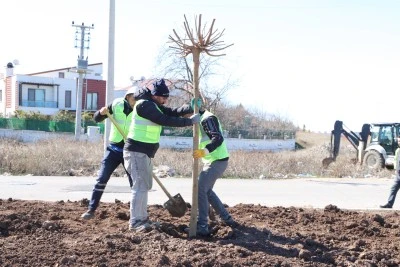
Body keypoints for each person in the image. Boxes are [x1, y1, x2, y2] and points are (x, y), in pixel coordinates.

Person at [124, 78, 200, 232]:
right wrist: (189, 122)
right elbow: (164, 119)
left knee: (144, 186)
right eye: (163, 97)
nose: (165, 101)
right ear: (155, 95)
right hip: (136, 151)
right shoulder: (144, 105)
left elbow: (171, 112)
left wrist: (189, 107)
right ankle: (136, 222)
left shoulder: (154, 104)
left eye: (167, 98)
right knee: (140, 187)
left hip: (144, 152)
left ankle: (142, 218)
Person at [81, 86, 148, 219]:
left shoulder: (142, 110)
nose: (135, 100)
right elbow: (96, 118)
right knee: (101, 178)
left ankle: (139, 214)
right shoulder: (117, 104)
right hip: (113, 150)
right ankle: (91, 210)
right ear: (127, 97)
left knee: (135, 183)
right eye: (133, 97)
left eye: (138, 98)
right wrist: (101, 113)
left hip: (130, 151)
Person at [187, 104, 237, 236]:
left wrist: (205, 150)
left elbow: (218, 138)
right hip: (212, 160)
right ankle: (227, 219)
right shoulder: (201, 119)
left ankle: (202, 225)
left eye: (186, 114)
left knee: (200, 188)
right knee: (207, 191)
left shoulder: (207, 119)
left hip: (217, 160)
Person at [380, 136, 400, 209]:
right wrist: (395, 169)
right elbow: (396, 161)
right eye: (398, 141)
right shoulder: (398, 150)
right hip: (398, 174)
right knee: (393, 188)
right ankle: (389, 204)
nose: (399, 143)